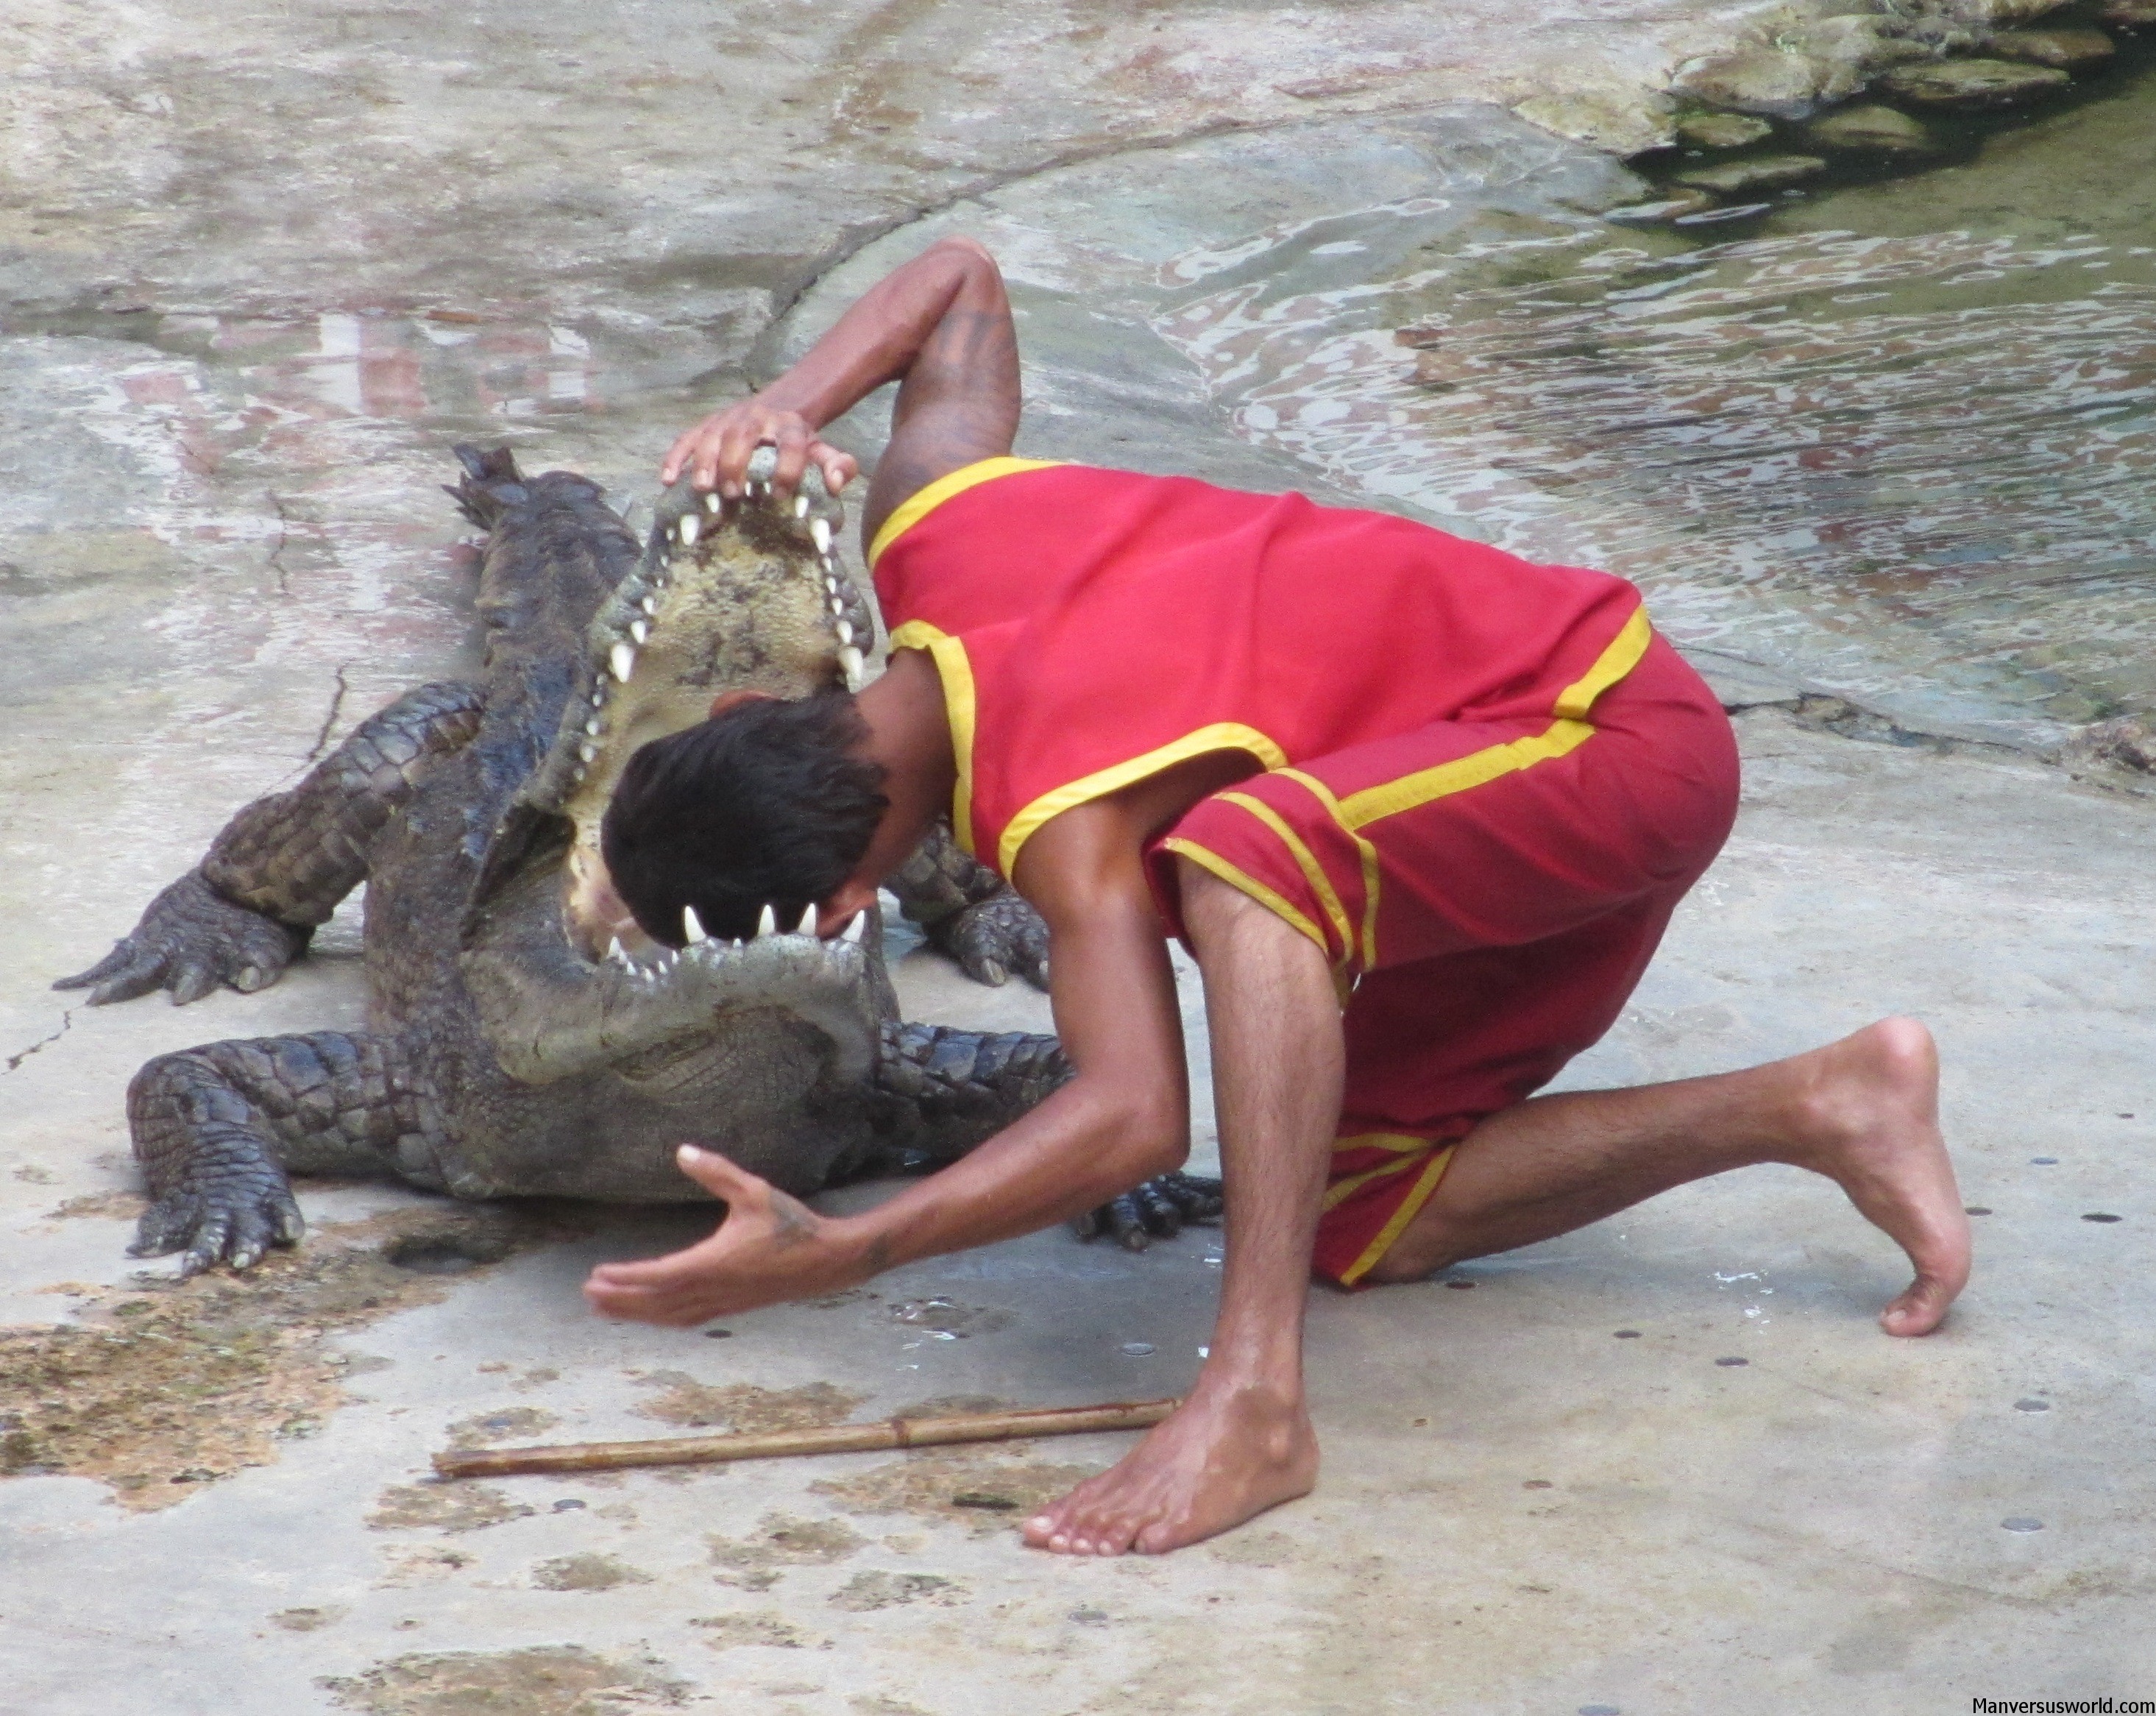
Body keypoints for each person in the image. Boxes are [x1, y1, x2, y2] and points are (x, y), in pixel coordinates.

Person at [581, 235, 1971, 1557]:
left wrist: (851, 1249)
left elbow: (1133, 1120)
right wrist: (783, 404)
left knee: (1241, 856)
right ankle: (1821, 1101)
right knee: (1361, 1212)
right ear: (771, 703)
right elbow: (955, 285)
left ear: (835, 912)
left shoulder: (1070, 839)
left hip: (1610, 739)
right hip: (1474, 791)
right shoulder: (928, 524)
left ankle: (1252, 1398)